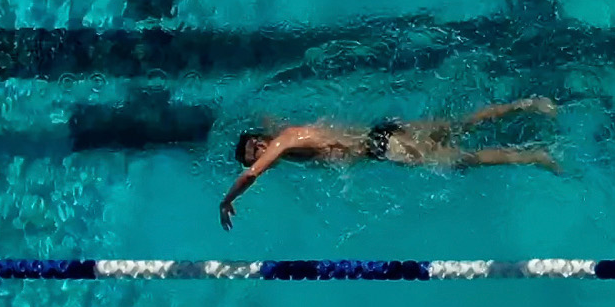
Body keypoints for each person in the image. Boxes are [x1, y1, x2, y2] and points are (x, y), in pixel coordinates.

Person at [220, 96, 563, 230]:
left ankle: (534, 155)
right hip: (384, 135)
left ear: (262, 145)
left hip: (386, 146)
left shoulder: (283, 141)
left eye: (260, 154)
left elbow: (251, 174)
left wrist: (228, 199)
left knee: (461, 159)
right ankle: (528, 105)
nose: (265, 163)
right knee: (461, 123)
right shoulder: (288, 137)